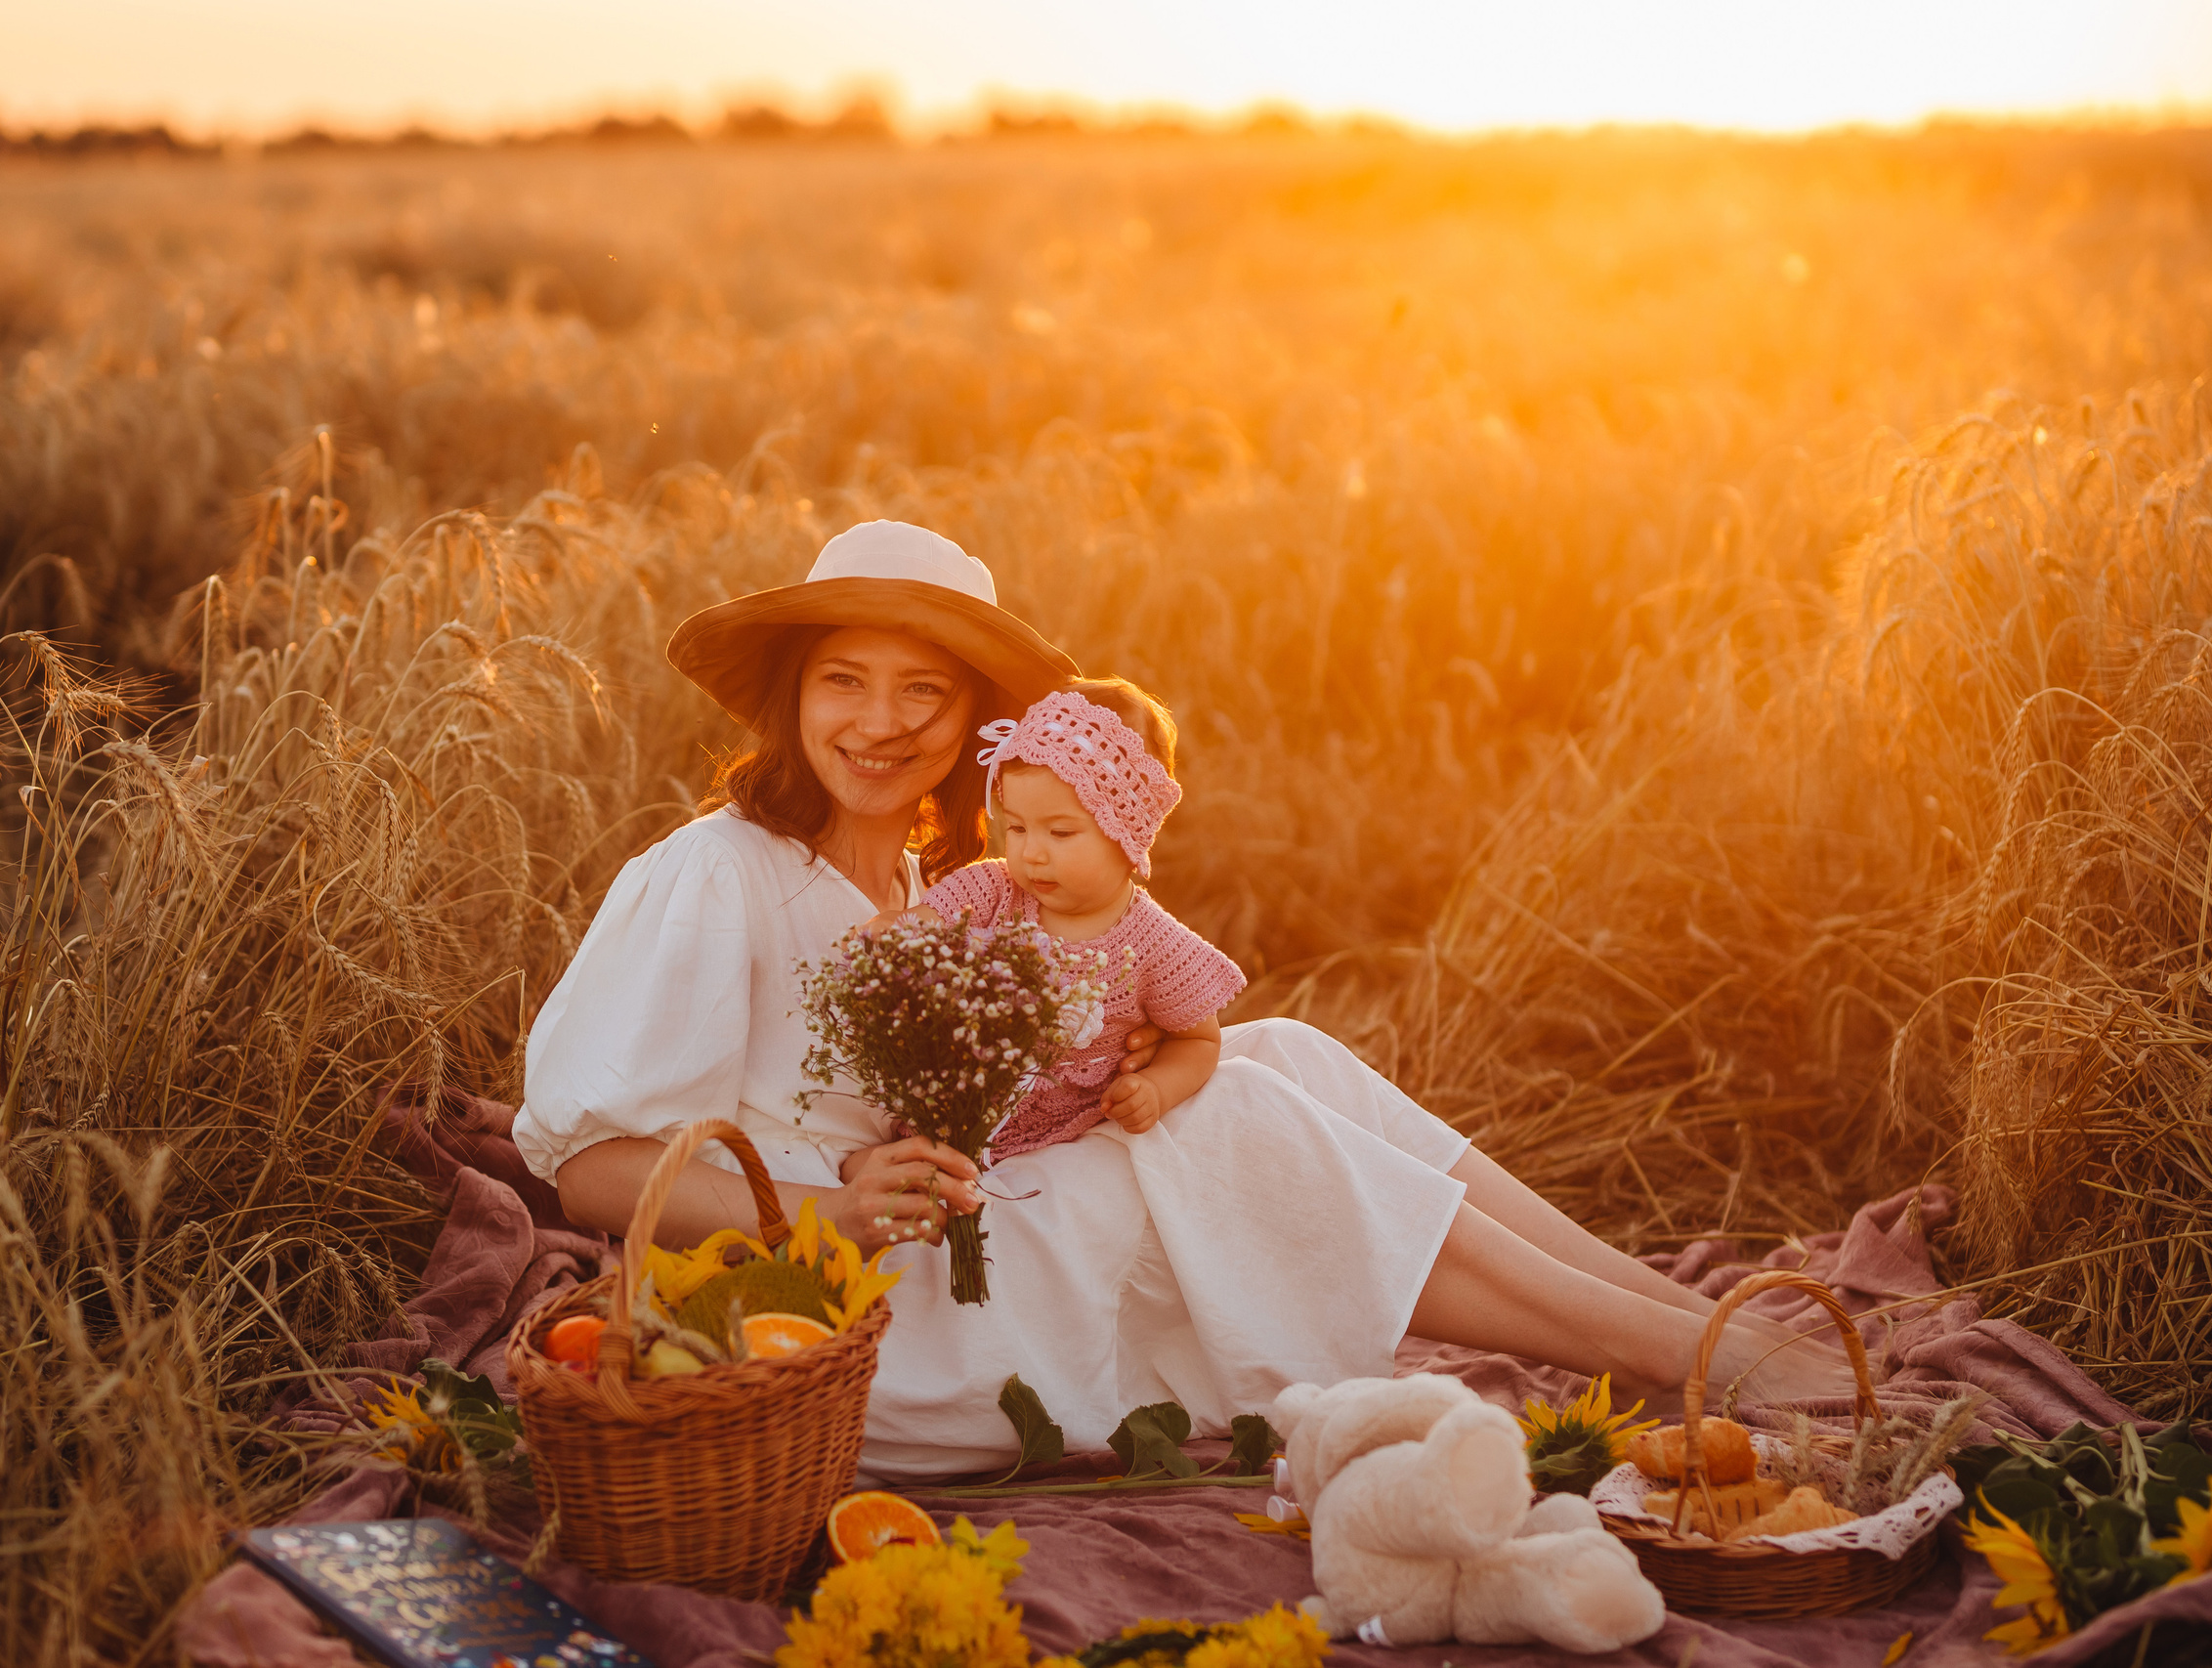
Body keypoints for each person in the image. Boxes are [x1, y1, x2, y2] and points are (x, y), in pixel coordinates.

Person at [513, 519, 1851, 1479]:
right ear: (793, 699)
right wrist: (833, 1210)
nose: (881, 721)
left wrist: (1106, 1050)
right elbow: (594, 1172)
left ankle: (1687, 1319)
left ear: (981, 721)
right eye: (844, 682)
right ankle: (1706, 1360)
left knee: (1278, 1052)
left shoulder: (936, 873)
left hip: (967, 1230)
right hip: (843, 1319)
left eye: (926, 688)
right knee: (1240, 1121)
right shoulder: (713, 873)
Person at [899, 677, 1245, 1165]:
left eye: (1060, 832)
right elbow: (917, 926)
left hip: (1066, 1141)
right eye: (1016, 827)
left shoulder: (1157, 947)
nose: (1031, 853)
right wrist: (890, 934)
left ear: (1127, 836)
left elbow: (1199, 1040)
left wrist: (1155, 1087)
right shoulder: (992, 889)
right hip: (947, 1111)